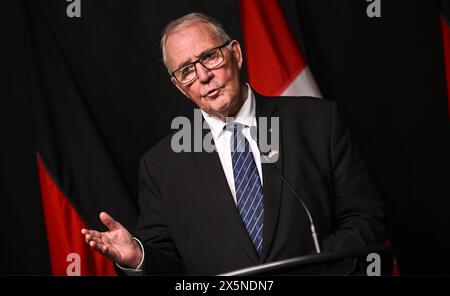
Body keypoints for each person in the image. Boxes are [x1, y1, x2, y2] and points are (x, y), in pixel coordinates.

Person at [81, 12, 385, 275]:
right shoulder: (160, 166)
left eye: (209, 56)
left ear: (235, 54)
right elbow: (170, 267)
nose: (203, 76)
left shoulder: (318, 121)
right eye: (186, 71)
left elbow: (364, 218)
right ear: (180, 88)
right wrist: (138, 257)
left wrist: (315, 270)